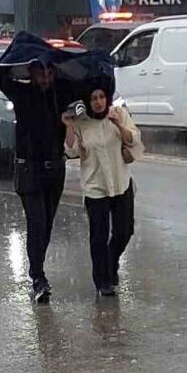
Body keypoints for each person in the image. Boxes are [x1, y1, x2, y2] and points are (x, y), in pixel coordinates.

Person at [0, 57, 71, 304]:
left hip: (55, 169)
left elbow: (85, 85)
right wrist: (16, 57)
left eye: (48, 73)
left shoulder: (59, 93)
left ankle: (38, 268)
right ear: (31, 73)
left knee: (47, 225)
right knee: (37, 223)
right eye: (40, 73)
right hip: (29, 170)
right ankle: (38, 278)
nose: (45, 78)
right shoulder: (21, 92)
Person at [63, 87, 142, 297]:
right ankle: (102, 281)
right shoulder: (82, 122)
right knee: (98, 236)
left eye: (101, 97)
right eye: (93, 98)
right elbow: (71, 151)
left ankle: (111, 261)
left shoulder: (118, 114)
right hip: (95, 187)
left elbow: (133, 138)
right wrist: (70, 127)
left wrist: (117, 123)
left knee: (124, 231)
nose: (98, 102)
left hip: (120, 182)